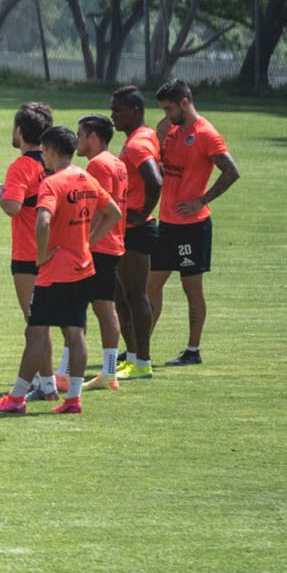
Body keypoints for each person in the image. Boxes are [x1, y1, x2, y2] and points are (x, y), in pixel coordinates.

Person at [0, 126, 121, 414]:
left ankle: (16, 399)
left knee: (36, 334)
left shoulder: (52, 183)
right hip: (83, 268)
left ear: (53, 151)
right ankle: (74, 399)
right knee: (75, 333)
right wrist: (88, 241)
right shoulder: (86, 178)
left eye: (43, 151)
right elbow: (114, 213)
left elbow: (43, 221)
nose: (41, 155)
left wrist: (41, 254)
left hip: (55, 272)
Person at [148, 79, 240, 368]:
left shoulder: (206, 134)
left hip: (193, 226)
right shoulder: (168, 129)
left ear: (184, 103)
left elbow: (231, 171)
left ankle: (193, 349)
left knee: (191, 288)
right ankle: (140, 348)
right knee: (152, 284)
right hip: (168, 224)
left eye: (169, 108)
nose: (166, 114)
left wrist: (201, 200)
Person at [0, 101, 54, 392]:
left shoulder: (21, 166)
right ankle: (47, 381)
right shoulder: (53, 164)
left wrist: (1, 194)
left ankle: (42, 383)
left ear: (20, 130)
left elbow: (13, 208)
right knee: (45, 321)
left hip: (29, 253)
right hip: (54, 251)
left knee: (35, 323)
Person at [108, 85, 164, 380]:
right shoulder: (145, 136)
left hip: (136, 230)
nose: (112, 115)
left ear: (135, 111)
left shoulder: (136, 144)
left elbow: (155, 181)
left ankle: (143, 361)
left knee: (135, 296)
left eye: (117, 110)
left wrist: (141, 213)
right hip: (128, 228)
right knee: (121, 296)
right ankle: (131, 358)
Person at [76, 115, 130, 390]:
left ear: (93, 137)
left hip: (99, 247)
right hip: (113, 244)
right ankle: (107, 371)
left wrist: (84, 241)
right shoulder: (118, 163)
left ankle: (69, 370)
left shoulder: (98, 165)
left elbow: (100, 207)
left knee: (80, 307)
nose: (77, 140)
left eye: (80, 134)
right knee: (104, 307)